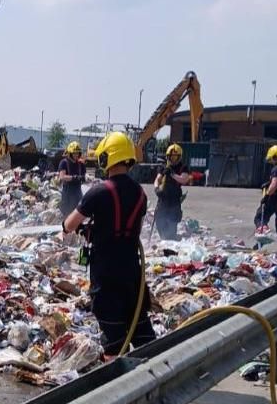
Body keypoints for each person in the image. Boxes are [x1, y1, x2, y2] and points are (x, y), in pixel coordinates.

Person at [62, 132, 156, 356]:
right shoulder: (140, 193)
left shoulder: (99, 191)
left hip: (106, 274)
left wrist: (84, 229)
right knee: (140, 328)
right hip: (133, 272)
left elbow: (69, 224)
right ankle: (154, 376)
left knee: (113, 337)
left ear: (107, 158)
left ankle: (118, 386)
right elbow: (136, 230)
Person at [153, 143, 190, 240]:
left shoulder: (183, 167)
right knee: (159, 220)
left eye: (175, 157)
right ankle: (163, 238)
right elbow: (157, 179)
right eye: (171, 157)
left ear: (179, 157)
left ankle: (171, 239)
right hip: (163, 199)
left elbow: (184, 179)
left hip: (174, 201)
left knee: (172, 222)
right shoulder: (164, 167)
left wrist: (173, 174)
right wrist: (157, 189)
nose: (173, 159)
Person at [58, 141, 86, 216]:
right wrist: (75, 177)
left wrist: (85, 178)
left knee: (79, 213)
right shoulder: (64, 163)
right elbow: (62, 176)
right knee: (67, 214)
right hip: (68, 192)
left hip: (77, 192)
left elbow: (84, 177)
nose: (76, 155)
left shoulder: (81, 164)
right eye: (74, 153)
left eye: (77, 153)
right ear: (70, 153)